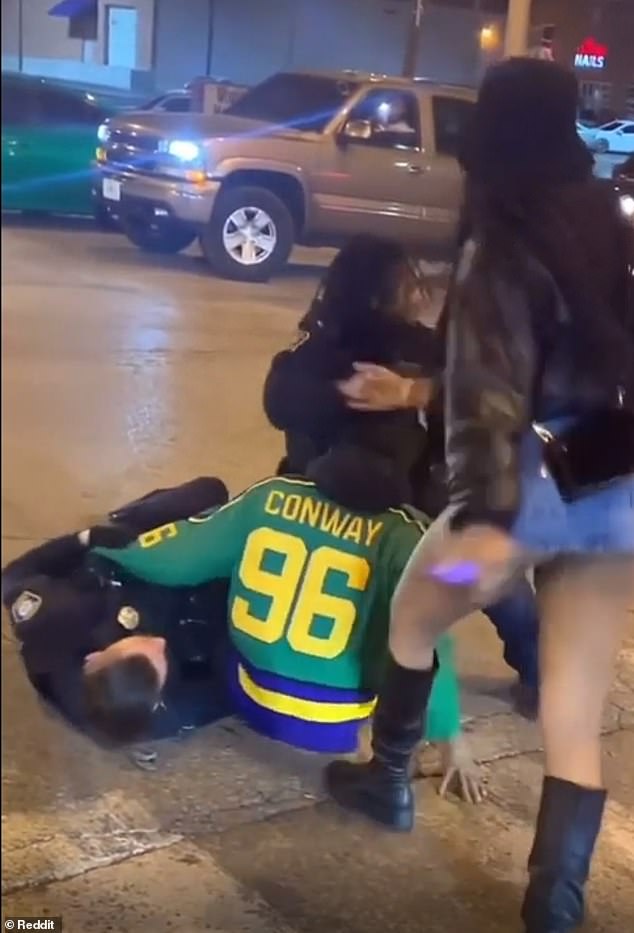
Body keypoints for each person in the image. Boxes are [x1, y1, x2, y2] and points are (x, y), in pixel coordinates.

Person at [323, 59, 634, 933]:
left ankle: (386, 779)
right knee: (573, 715)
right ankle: (555, 910)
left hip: (518, 500)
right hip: (614, 498)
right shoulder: (606, 218)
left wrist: (483, 522)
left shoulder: (499, 238)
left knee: (413, 619)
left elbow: (489, 397)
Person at [93, 443, 484, 804]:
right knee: (410, 636)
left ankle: (159, 703)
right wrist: (450, 738)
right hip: (339, 727)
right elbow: (431, 651)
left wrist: (112, 551)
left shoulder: (272, 496)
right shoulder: (409, 533)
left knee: (219, 589)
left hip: (250, 696)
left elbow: (178, 557)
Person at [264, 234, 541, 717]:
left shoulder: (311, 348)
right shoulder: (419, 352)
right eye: (409, 285)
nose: (420, 295)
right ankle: (540, 676)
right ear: (381, 296)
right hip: (408, 523)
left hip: (315, 506)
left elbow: (279, 402)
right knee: (501, 578)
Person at [2, 477, 232, 745]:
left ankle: (126, 514)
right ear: (157, 701)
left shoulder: (58, 619)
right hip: (196, 609)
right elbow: (227, 693)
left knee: (208, 491)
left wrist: (85, 539)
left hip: (129, 555)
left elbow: (11, 578)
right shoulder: (164, 715)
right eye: (162, 658)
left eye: (142, 642)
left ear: (92, 658)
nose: (159, 643)